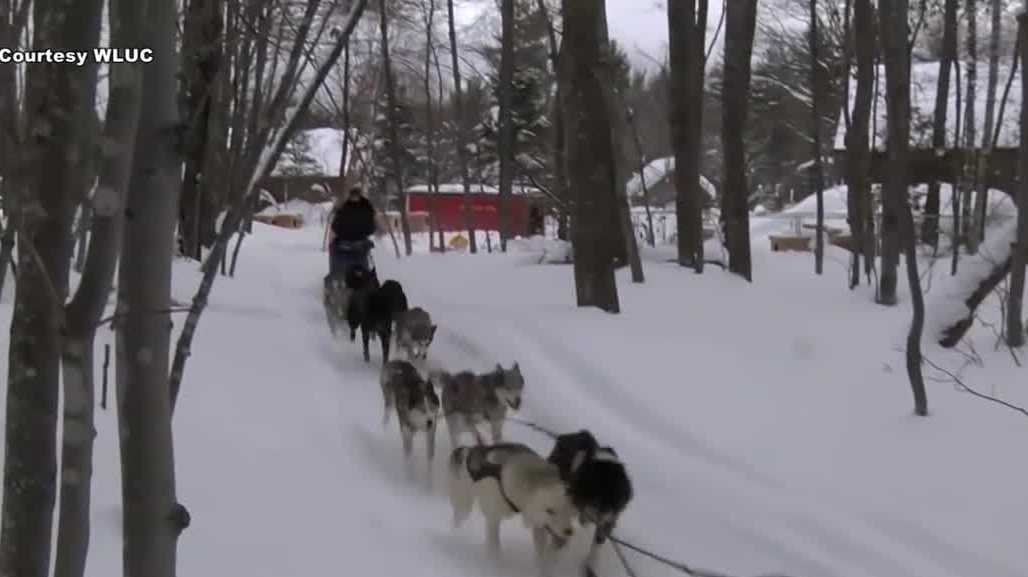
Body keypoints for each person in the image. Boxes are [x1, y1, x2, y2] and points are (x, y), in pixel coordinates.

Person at [329, 186, 377, 277]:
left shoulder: (345, 207)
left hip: (350, 243)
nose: (354, 198)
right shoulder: (365, 206)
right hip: (355, 243)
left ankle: (336, 276)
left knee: (334, 251)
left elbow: (335, 225)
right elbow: (372, 227)